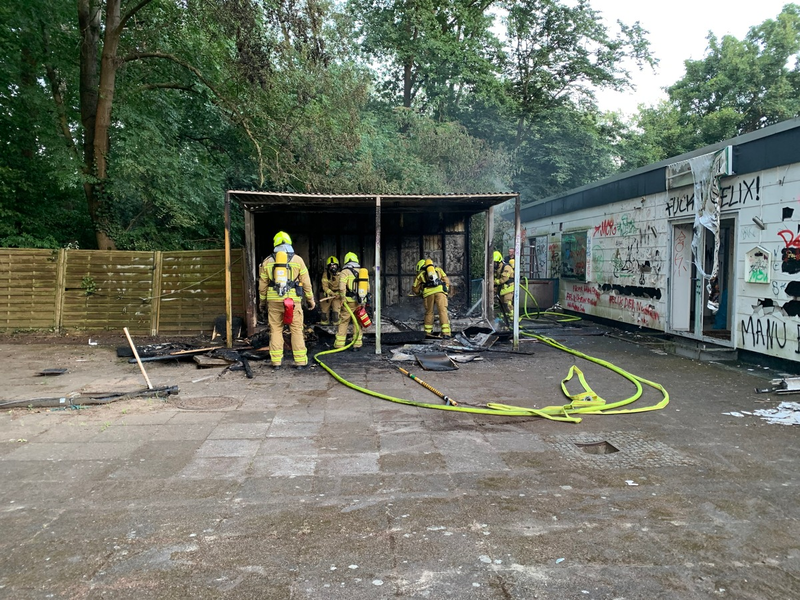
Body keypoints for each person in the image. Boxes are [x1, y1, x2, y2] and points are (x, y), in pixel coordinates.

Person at [258, 231, 315, 369]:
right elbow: (306, 283)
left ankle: (276, 362)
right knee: (296, 329)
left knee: (276, 330)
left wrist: (262, 303)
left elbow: (262, 286)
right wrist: (310, 300)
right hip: (293, 301)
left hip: (274, 301)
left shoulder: (267, 262)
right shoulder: (298, 260)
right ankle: (300, 361)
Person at [335, 252, 367, 351]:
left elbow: (341, 287)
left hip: (348, 302)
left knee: (344, 322)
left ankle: (339, 345)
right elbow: (368, 288)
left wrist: (342, 298)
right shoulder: (362, 272)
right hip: (361, 301)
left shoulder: (345, 272)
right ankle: (357, 345)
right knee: (358, 322)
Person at [412, 259, 452, 338]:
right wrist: (445, 290)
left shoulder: (420, 274)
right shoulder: (438, 270)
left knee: (429, 312)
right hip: (440, 293)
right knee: (442, 311)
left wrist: (420, 293)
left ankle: (427, 332)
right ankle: (446, 333)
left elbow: (415, 289)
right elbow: (446, 280)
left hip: (428, 295)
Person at [319, 256, 341, 325]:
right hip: (327, 295)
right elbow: (324, 287)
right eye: (331, 266)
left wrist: (339, 294)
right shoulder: (326, 274)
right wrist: (331, 293)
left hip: (337, 296)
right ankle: (324, 324)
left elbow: (343, 286)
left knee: (336, 316)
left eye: (334, 265)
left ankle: (337, 326)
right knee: (324, 316)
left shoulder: (341, 274)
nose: (333, 267)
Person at [493, 250, 515, 318]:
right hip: (502, 289)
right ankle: (506, 315)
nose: (494, 264)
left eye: (495, 263)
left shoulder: (506, 267)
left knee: (507, 302)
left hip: (508, 288)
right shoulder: (498, 268)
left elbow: (504, 279)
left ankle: (512, 317)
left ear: (499, 261)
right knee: (502, 303)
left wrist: (494, 282)